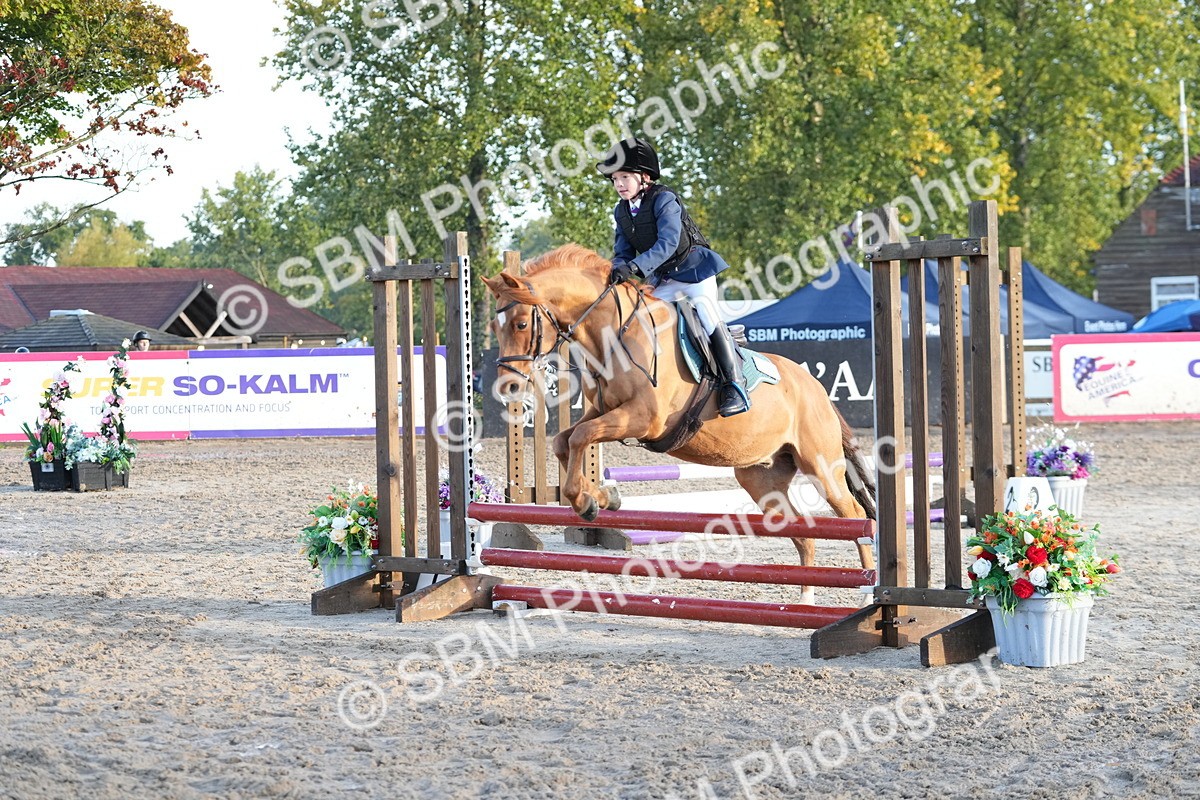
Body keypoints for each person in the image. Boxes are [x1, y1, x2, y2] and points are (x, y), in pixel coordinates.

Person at [597, 137, 749, 416]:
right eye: (615, 178)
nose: (619, 184)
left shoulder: (664, 199)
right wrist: (618, 266)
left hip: (694, 273)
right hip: (663, 279)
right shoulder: (621, 211)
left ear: (644, 177)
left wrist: (634, 267)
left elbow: (667, 243)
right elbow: (622, 249)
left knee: (705, 314)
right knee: (638, 320)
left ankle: (733, 385)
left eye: (625, 177)